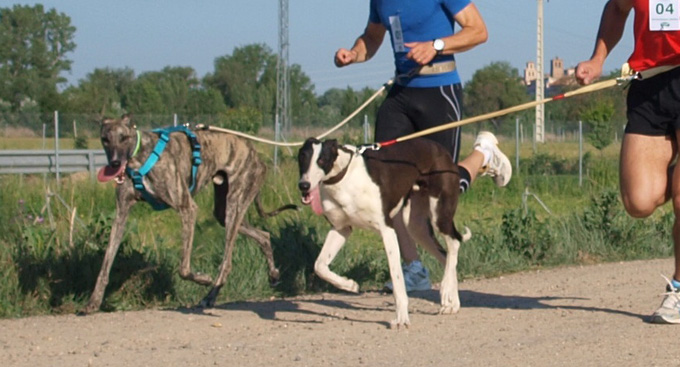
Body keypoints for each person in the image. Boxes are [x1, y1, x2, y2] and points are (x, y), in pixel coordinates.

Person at [334, 0, 512, 292]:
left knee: (441, 190)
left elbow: (478, 31)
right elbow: (372, 37)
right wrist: (353, 54)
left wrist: (436, 45)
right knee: (384, 186)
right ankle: (413, 269)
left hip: (439, 91)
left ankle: (484, 154)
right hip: (401, 94)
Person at [575, 0, 680, 324]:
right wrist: (597, 58)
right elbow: (618, 9)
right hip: (649, 83)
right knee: (639, 201)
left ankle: (677, 289)